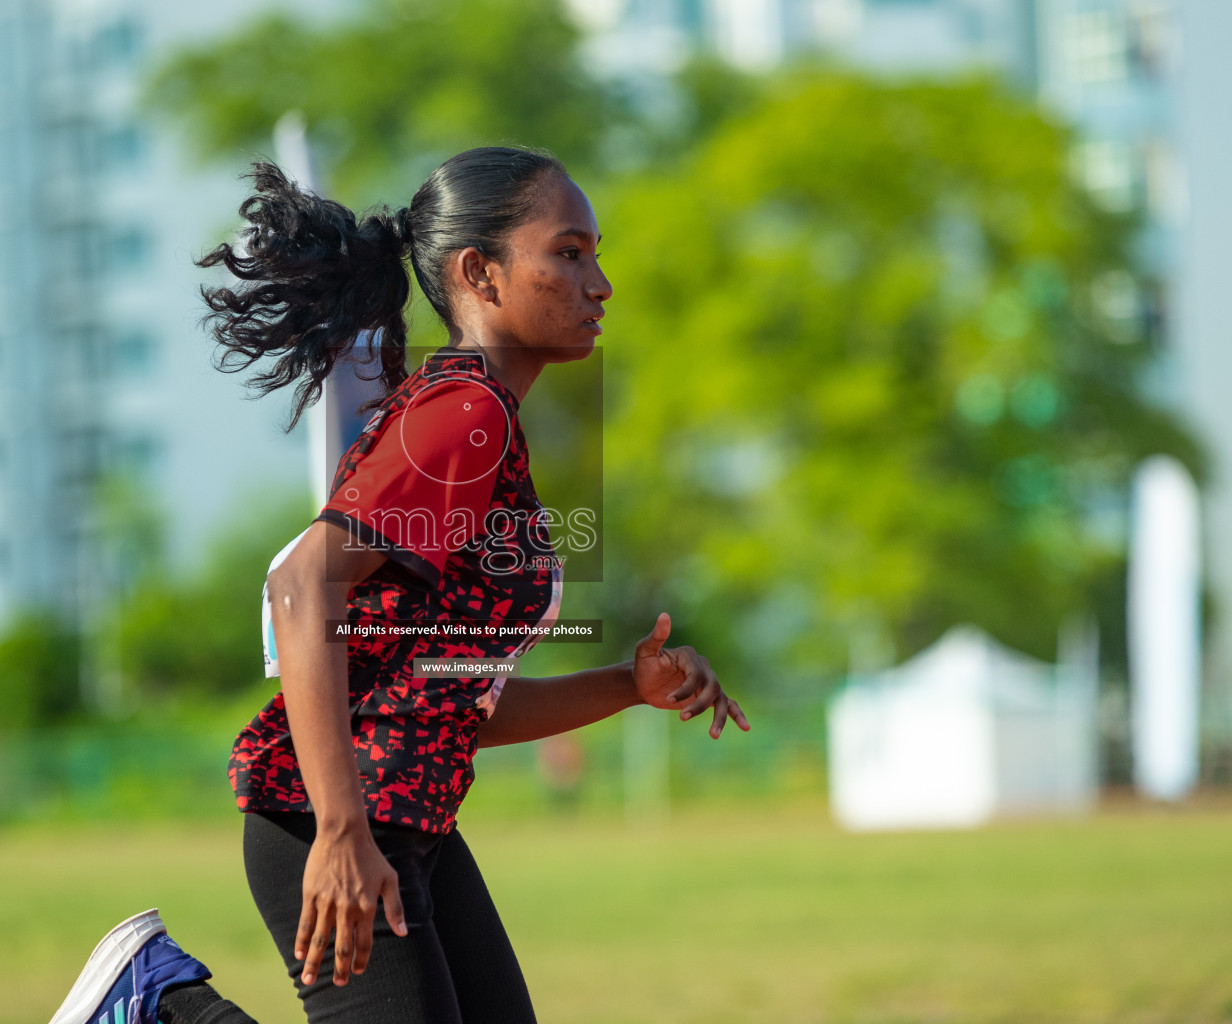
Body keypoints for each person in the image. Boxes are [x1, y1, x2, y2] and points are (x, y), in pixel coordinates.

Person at [47, 146, 749, 1024]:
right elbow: (304, 584)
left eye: (596, 253)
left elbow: (451, 703)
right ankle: (159, 1008)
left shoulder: (477, 422)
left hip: (409, 821)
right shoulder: (466, 416)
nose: (600, 282)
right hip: (337, 820)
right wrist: (341, 828)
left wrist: (627, 686)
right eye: (569, 253)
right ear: (478, 274)